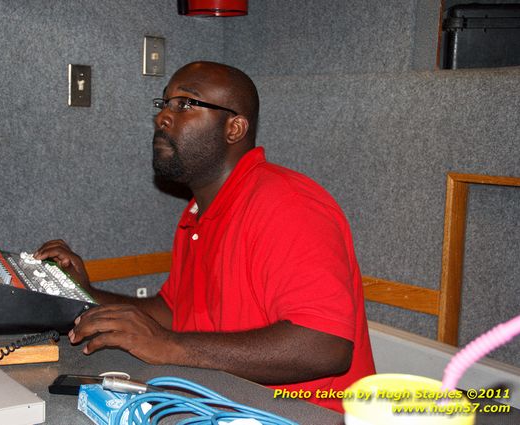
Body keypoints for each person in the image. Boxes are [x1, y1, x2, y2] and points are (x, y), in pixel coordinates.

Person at [34, 61, 375, 412]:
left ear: (235, 127)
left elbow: (325, 346)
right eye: (164, 104)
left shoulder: (288, 204)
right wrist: (83, 293)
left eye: (185, 104)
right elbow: (173, 312)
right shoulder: (198, 213)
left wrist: (171, 346)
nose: (163, 117)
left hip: (305, 415)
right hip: (224, 407)